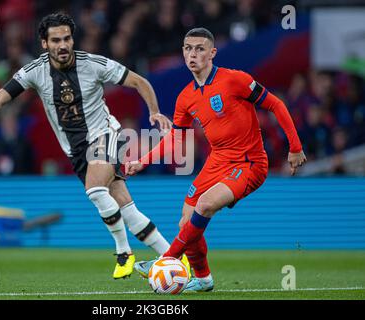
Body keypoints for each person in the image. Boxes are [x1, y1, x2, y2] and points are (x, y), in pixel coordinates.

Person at [0, 13, 188, 279]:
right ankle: (174, 258)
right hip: (76, 151)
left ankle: (123, 253)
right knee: (126, 209)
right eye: (56, 40)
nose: (63, 45)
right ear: (44, 44)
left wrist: (153, 111)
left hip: (105, 135)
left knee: (95, 190)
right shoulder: (34, 72)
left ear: (73, 40)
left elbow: (139, 81)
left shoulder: (93, 64)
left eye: (67, 38)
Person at [126, 28, 307, 291]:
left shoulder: (235, 80)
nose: (192, 54)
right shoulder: (186, 97)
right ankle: (203, 278)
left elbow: (276, 104)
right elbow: (177, 139)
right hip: (217, 162)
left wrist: (295, 147)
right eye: (188, 48)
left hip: (249, 163)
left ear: (212, 53)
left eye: (200, 48)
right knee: (186, 221)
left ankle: (166, 260)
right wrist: (144, 160)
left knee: (205, 203)